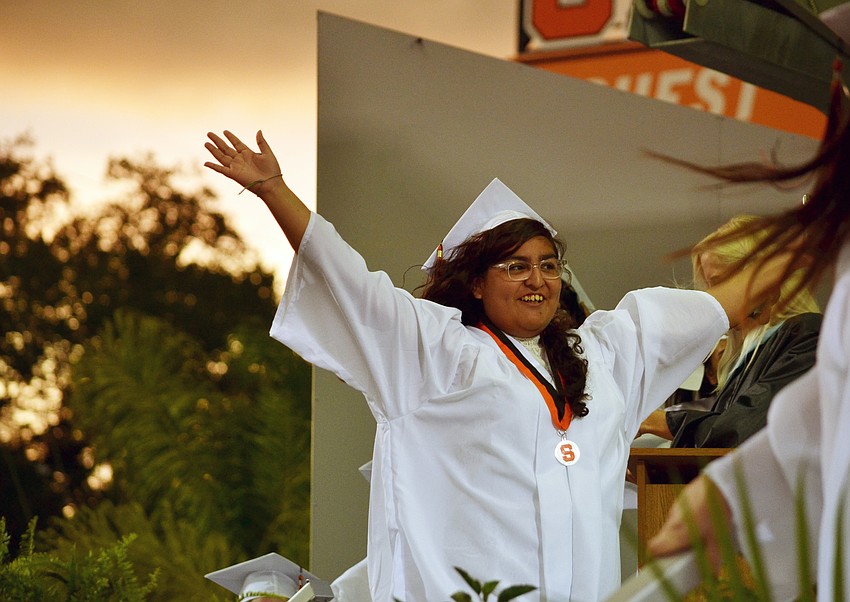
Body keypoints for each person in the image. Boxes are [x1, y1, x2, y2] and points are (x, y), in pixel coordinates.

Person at [203, 130, 796, 602]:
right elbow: (350, 284)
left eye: (548, 264)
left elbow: (723, 303)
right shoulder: (432, 353)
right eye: (515, 266)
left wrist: (818, 224)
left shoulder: (606, 354)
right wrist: (276, 191)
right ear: (477, 283)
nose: (538, 280)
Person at [646, 6, 850, 600]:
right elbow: (821, 405)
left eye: (725, 278)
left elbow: (749, 422)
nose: (719, 299)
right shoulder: (758, 345)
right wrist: (733, 488)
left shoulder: (802, 332)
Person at [638, 215, 822, 448]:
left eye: (722, 283)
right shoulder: (747, 358)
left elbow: (739, 431)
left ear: (760, 276)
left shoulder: (807, 337)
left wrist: (657, 421)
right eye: (711, 287)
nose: (715, 299)